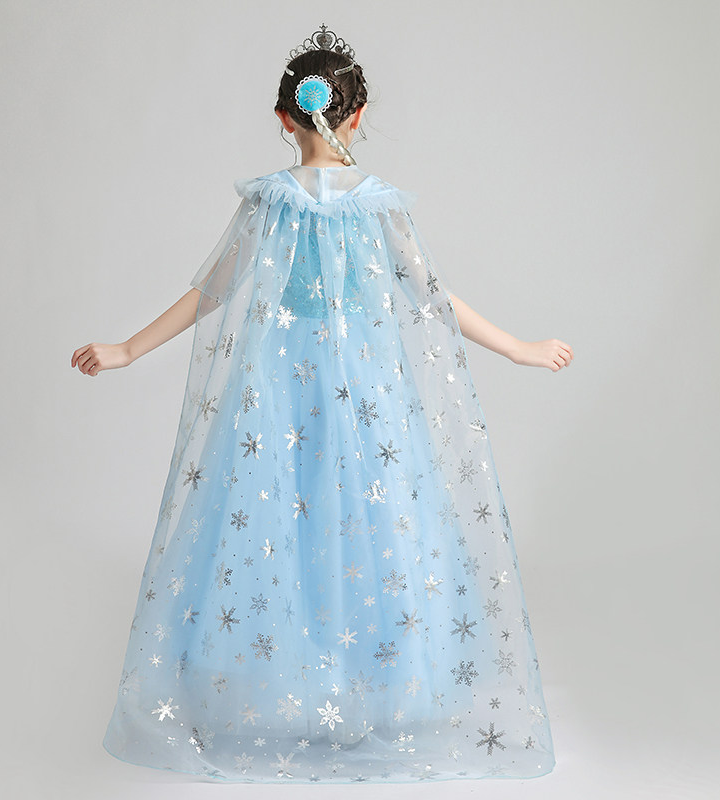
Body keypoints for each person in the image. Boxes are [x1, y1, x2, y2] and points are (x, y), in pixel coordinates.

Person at [73, 24, 572, 784]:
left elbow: (211, 291)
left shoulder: (271, 202)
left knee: (279, 516)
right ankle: (369, 688)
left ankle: (288, 685)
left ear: (284, 117)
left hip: (277, 385)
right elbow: (432, 297)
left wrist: (128, 349)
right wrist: (517, 347)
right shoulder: (375, 206)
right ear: (359, 114)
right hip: (369, 389)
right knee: (373, 516)